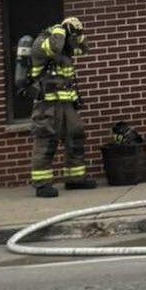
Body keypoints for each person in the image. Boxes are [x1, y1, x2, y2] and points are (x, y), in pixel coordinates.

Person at [28, 15, 97, 197]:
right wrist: (61, 29)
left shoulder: (66, 48)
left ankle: (75, 178)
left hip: (66, 103)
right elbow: (53, 48)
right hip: (47, 104)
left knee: (76, 137)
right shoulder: (41, 43)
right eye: (70, 35)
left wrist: (79, 33)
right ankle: (42, 184)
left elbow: (84, 49)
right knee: (46, 141)